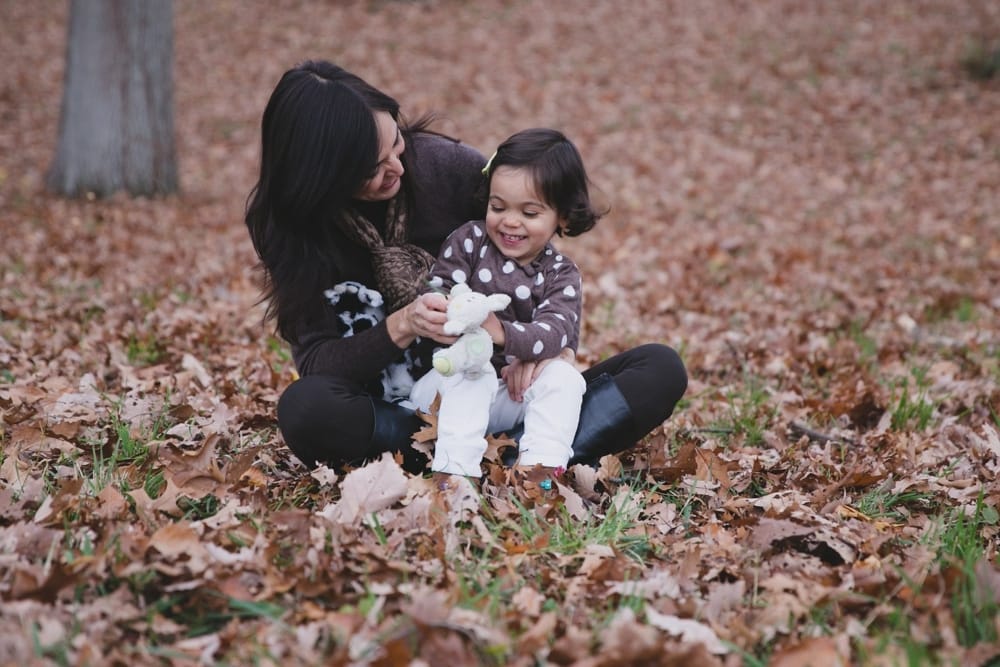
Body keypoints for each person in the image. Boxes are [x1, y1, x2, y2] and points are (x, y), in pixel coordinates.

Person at [244, 60, 688, 475]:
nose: (397, 167)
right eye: (372, 168)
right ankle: (477, 455)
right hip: (401, 411)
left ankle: (519, 455)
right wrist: (401, 326)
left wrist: (553, 351)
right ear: (320, 178)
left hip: (503, 385)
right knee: (307, 409)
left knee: (659, 369)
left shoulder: (447, 168)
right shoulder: (292, 233)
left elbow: (533, 239)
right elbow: (319, 363)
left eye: (396, 143)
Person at [408, 129, 595, 476]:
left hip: (510, 394)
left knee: (565, 380)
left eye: (530, 213)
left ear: (563, 217)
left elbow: (556, 332)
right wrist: (461, 315)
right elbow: (440, 291)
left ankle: (539, 475)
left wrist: (504, 335)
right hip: (443, 388)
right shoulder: (470, 242)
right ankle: (454, 476)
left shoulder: (561, 274)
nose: (510, 221)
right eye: (498, 207)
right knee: (473, 374)